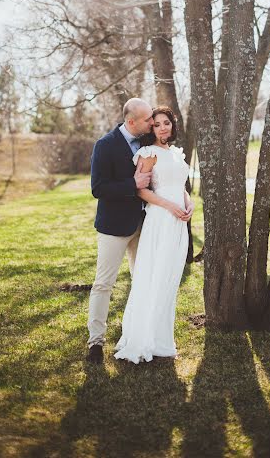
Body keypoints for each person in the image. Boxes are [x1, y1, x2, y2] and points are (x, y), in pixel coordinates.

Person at [114, 106, 194, 364]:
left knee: (170, 279)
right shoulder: (148, 154)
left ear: (173, 125)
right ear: (152, 128)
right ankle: (144, 338)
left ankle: (162, 340)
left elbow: (178, 186)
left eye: (166, 123)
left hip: (179, 223)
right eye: (157, 124)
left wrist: (187, 202)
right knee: (155, 277)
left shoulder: (175, 153)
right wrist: (170, 206)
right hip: (160, 220)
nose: (162, 128)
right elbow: (141, 190)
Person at [86, 98, 155, 364]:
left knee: (142, 281)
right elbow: (98, 188)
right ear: (131, 121)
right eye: (147, 119)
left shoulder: (147, 142)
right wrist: (132, 183)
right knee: (103, 284)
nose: (151, 122)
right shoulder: (105, 146)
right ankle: (96, 342)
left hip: (142, 225)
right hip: (114, 227)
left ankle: (140, 336)